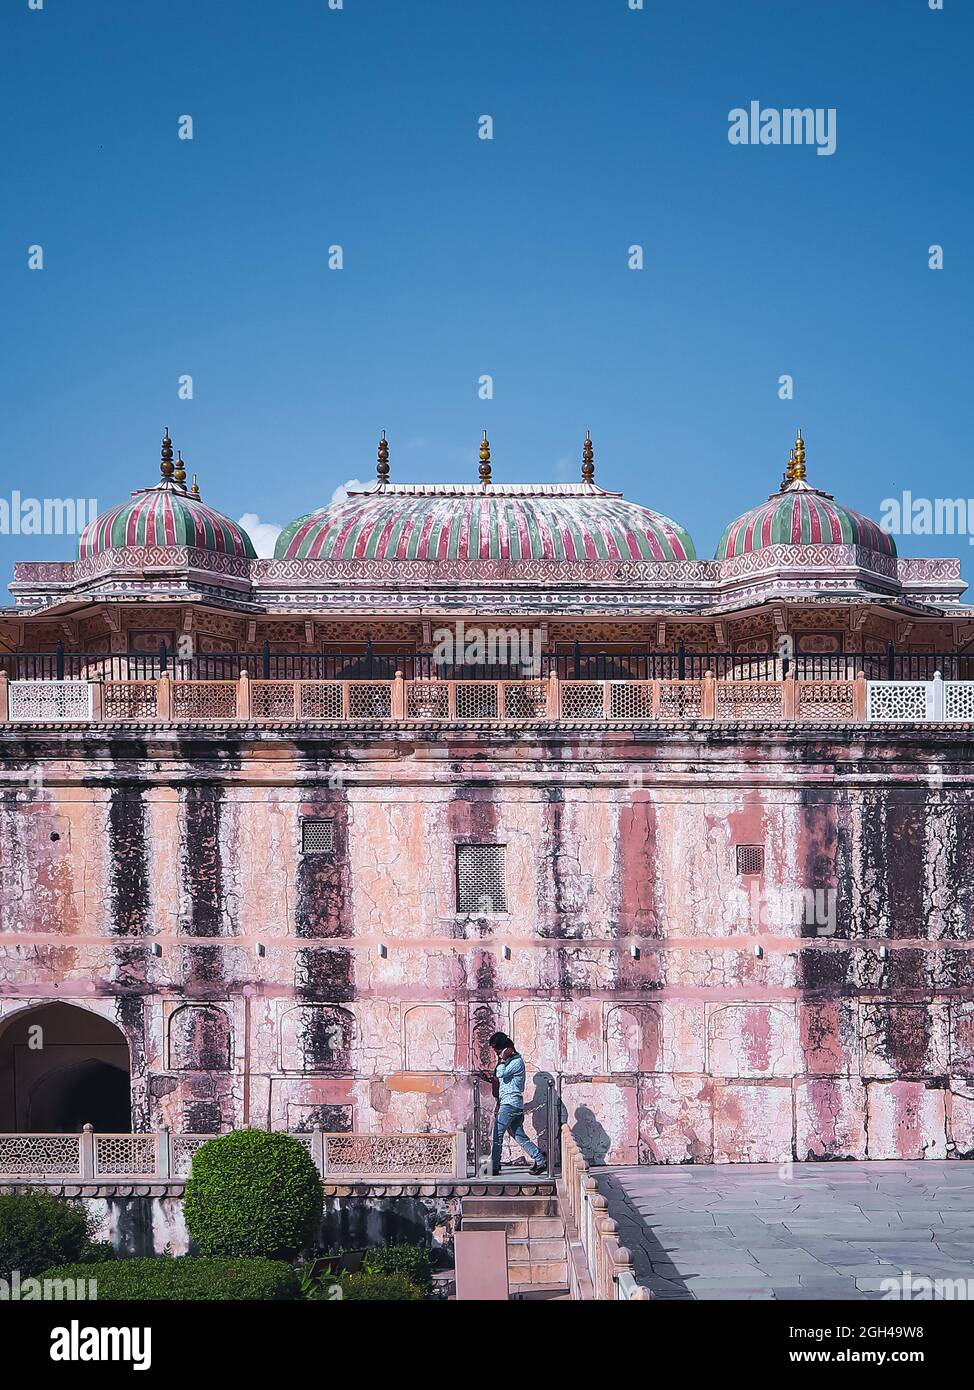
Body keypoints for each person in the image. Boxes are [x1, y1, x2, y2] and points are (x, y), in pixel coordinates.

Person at [482, 1031, 547, 1177]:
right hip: (512, 1103)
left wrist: (503, 1059)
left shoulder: (516, 1062)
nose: (496, 1053)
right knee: (519, 1135)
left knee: (497, 1134)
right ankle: (540, 1158)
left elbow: (500, 1074)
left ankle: (494, 1166)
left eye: (497, 1050)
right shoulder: (512, 1062)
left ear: (504, 1048)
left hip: (510, 1104)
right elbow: (502, 1081)